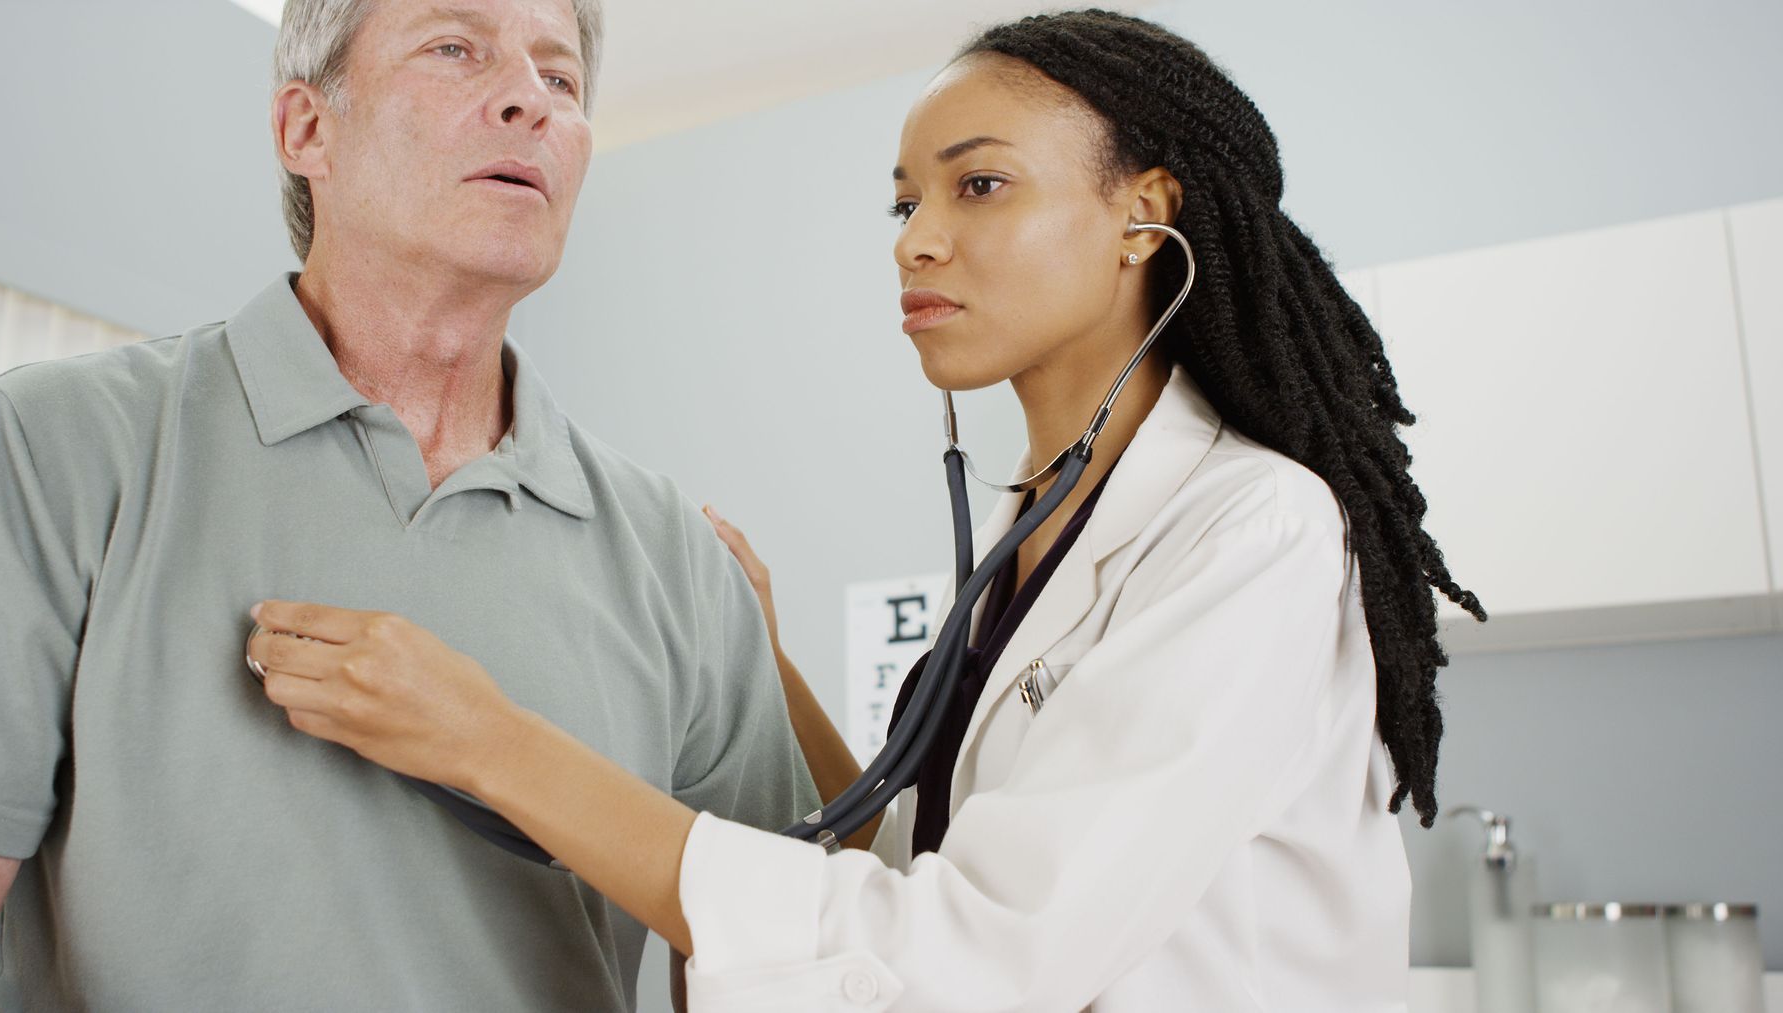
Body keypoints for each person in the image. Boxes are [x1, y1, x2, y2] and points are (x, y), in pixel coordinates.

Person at [244, 8, 1488, 1012]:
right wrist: (768, 665)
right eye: (906, 203)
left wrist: (487, 741)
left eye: (979, 188)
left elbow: (972, 957)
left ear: (1142, 213)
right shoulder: (1038, 529)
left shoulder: (1252, 531)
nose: (917, 242)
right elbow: (907, 877)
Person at [0, 0, 819, 1009]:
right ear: (306, 129)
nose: (528, 102)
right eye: (456, 49)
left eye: (560, 77)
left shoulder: (683, 563)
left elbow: (785, 956)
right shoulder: (49, 448)